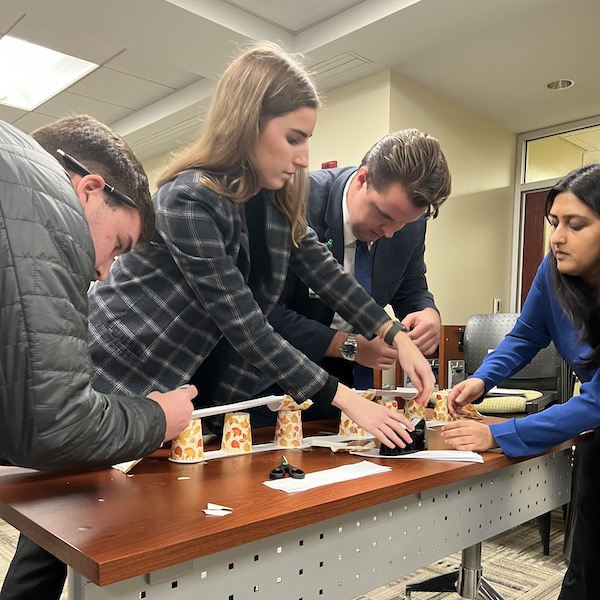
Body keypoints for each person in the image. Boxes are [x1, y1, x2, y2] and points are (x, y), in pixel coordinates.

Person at [1, 41, 436, 600]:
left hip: (191, 385)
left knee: (158, 532)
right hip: (122, 366)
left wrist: (394, 334)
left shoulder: (278, 203)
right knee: (59, 534)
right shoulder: (189, 199)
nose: (305, 157)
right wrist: (347, 399)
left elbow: (323, 270)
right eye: (294, 138)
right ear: (250, 125)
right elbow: (245, 323)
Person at [0, 115, 196, 600]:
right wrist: (158, 416)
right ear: (89, 189)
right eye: (118, 246)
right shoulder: (38, 210)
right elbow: (56, 426)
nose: (105, 273)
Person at [441, 163, 600, 600]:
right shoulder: (553, 272)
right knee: (587, 560)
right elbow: (527, 334)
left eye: (576, 224)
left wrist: (497, 434)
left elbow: (595, 404)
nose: (557, 237)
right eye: (554, 223)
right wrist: (481, 379)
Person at [252, 129, 450, 422]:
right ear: (362, 179)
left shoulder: (407, 225)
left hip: (353, 386)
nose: (390, 232)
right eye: (384, 216)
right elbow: (262, 312)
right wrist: (348, 346)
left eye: (403, 223)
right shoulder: (293, 203)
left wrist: (428, 313)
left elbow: (411, 289)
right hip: (273, 383)